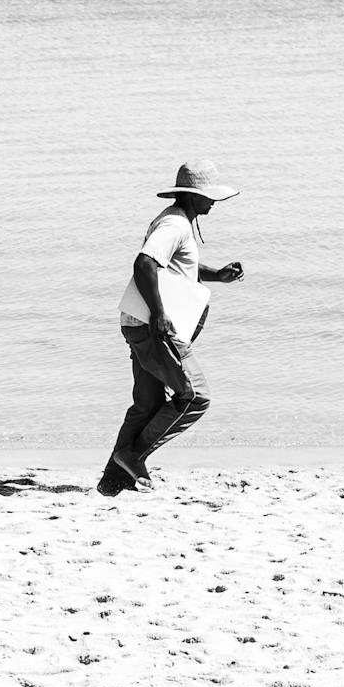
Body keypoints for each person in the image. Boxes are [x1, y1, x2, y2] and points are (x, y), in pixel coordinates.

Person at [97, 162, 245, 496]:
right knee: (194, 396)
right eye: (210, 197)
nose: (214, 203)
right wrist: (160, 314)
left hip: (137, 322)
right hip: (154, 326)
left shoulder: (175, 221)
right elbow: (144, 264)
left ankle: (113, 482)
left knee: (147, 405)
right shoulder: (175, 224)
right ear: (195, 196)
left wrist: (217, 275)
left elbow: (174, 270)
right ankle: (131, 456)